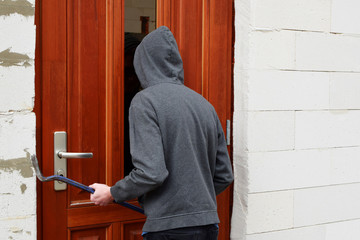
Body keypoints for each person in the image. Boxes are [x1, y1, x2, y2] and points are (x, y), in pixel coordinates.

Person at [90, 26, 234, 240]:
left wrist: (112, 193)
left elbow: (151, 173)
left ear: (143, 64)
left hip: (169, 231)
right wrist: (192, 205)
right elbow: (224, 175)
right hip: (208, 226)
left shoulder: (145, 101)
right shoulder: (204, 105)